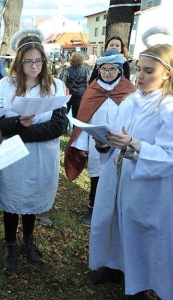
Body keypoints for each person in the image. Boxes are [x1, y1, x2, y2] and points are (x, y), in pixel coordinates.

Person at [87, 44, 173, 299]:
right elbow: (117, 134)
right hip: (119, 176)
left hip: (149, 184)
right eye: (138, 69)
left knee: (142, 230)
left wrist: (134, 145)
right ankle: (113, 266)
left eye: (148, 71)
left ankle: (139, 282)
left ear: (166, 74)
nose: (139, 76)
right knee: (114, 220)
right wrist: (103, 142)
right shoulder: (131, 100)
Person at [0, 33, 68, 271]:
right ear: (19, 61)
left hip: (41, 155)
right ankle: (10, 243)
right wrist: (16, 126)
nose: (34, 66)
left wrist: (22, 131)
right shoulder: (5, 86)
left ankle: (28, 240)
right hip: (12, 156)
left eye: (39, 61)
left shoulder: (55, 87)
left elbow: (58, 125)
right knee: (13, 199)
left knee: (32, 198)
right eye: (29, 61)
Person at [64, 50, 136, 227]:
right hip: (96, 142)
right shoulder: (92, 89)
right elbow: (83, 119)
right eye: (103, 69)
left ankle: (117, 210)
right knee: (97, 177)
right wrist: (81, 146)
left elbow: (135, 118)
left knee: (120, 176)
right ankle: (94, 208)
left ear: (120, 70)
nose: (107, 73)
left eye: (112, 69)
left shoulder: (129, 91)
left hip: (121, 142)